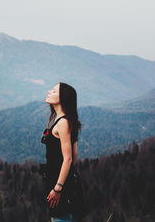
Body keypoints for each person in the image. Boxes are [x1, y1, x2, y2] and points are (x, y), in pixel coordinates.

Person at [41, 82, 86, 222]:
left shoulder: (62, 123)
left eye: (54, 91)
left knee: (61, 217)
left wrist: (58, 188)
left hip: (59, 183)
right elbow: (75, 154)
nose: (49, 91)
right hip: (62, 179)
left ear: (63, 98)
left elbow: (68, 159)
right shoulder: (67, 120)